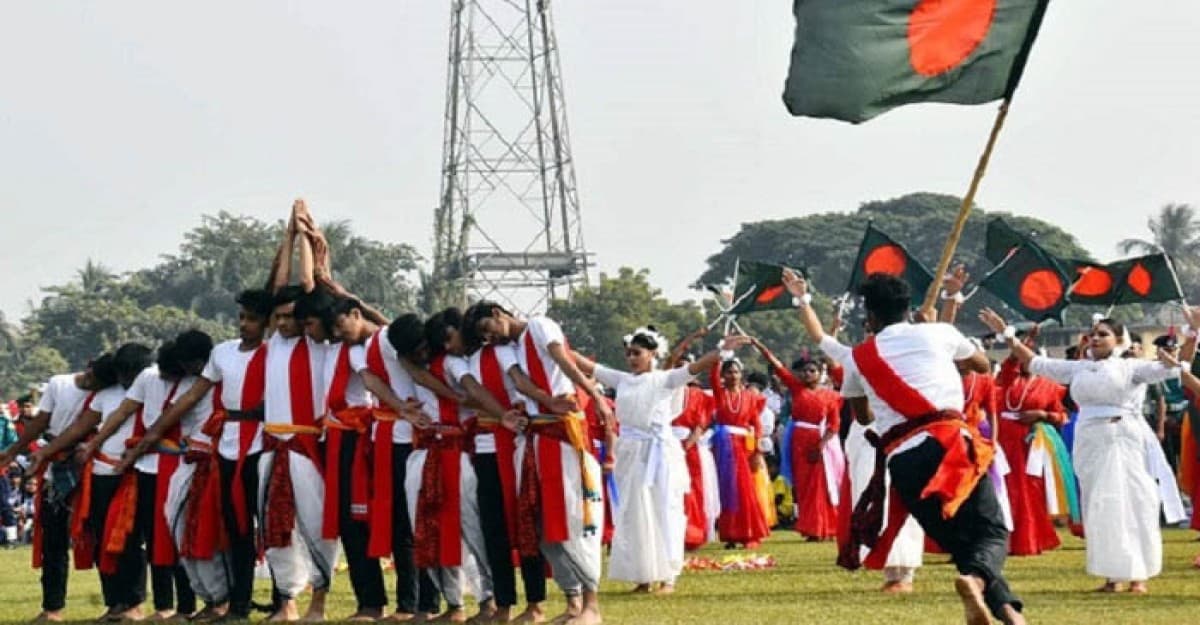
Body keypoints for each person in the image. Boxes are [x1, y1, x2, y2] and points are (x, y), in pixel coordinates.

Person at [787, 269, 1023, 625]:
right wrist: (937, 339)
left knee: (964, 545)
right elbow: (980, 364)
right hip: (951, 447)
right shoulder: (939, 333)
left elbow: (863, 416)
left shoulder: (859, 357)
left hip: (904, 459)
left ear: (870, 317)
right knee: (991, 531)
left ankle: (1009, 613)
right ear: (908, 307)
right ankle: (977, 584)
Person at [980, 308, 1189, 595]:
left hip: (1122, 437)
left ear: (1119, 340)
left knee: (1131, 502)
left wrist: (1191, 336)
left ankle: (1138, 576)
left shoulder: (1132, 367)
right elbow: (1035, 362)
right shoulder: (1078, 368)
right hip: (1089, 441)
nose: (1095, 339)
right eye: (1093, 335)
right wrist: (1007, 334)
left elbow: (1177, 367)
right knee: (1098, 506)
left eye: (1103, 334)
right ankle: (1112, 576)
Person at [124, 288, 274, 620]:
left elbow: (276, 293)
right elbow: (191, 397)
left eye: (252, 319)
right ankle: (236, 603)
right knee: (235, 529)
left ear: (267, 322)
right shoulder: (222, 353)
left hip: (262, 445)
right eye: (241, 317)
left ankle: (282, 603)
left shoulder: (275, 349)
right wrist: (152, 434)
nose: (244, 324)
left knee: (267, 527)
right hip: (227, 448)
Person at [463, 301, 610, 625]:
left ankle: (592, 605)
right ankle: (573, 602)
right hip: (535, 439)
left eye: (488, 329)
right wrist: (544, 401)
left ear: (498, 314)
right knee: (541, 526)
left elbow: (563, 360)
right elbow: (520, 383)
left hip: (562, 437)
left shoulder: (540, 326)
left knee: (573, 518)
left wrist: (595, 395)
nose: (488, 338)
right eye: (482, 336)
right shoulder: (511, 347)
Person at [573, 327, 751, 594]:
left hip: (659, 453)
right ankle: (643, 575)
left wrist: (723, 350)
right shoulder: (622, 379)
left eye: (637, 353)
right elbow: (584, 364)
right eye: (629, 354)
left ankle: (669, 577)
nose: (631, 359)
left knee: (665, 511)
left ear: (652, 354)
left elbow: (697, 366)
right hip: (631, 453)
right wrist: (549, 341)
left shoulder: (666, 379)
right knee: (635, 513)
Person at [0, 357, 109, 622]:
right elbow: (40, 422)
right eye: (92, 379)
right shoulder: (59, 384)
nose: (93, 385)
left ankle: (116, 604)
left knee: (99, 538)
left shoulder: (107, 391)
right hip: (55, 467)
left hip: (89, 467)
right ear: (88, 367)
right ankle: (52, 608)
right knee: (53, 541)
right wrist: (14, 450)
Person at [459, 323, 549, 623]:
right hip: (485, 450)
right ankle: (504, 604)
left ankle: (535, 604)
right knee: (494, 531)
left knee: (525, 525)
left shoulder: (505, 352)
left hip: (515, 445)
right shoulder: (466, 361)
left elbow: (521, 382)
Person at [752, 341, 843, 541]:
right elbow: (778, 367)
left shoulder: (832, 396)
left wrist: (821, 445)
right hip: (797, 440)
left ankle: (822, 527)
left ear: (820, 373)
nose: (807, 374)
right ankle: (811, 527)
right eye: (804, 371)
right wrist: (761, 347)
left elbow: (834, 425)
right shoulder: (796, 388)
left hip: (818, 442)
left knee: (819, 485)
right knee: (802, 485)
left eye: (812, 371)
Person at [993, 343, 1068, 556]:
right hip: (1004, 441)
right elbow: (1006, 371)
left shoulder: (1050, 387)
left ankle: (1029, 539)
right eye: (1021, 358)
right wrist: (1016, 346)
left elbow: (1062, 417)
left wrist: (1043, 415)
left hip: (1030, 444)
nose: (1024, 362)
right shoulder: (1008, 380)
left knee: (1029, 490)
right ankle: (1003, 540)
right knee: (1004, 488)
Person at [708, 357, 771, 550]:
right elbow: (712, 377)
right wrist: (720, 355)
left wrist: (758, 450)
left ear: (741, 374)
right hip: (723, 446)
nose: (733, 375)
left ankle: (749, 532)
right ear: (723, 375)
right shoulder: (720, 394)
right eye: (729, 372)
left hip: (744, 447)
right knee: (727, 489)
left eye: (736, 372)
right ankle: (730, 534)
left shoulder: (750, 397)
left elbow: (756, 424)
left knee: (745, 489)